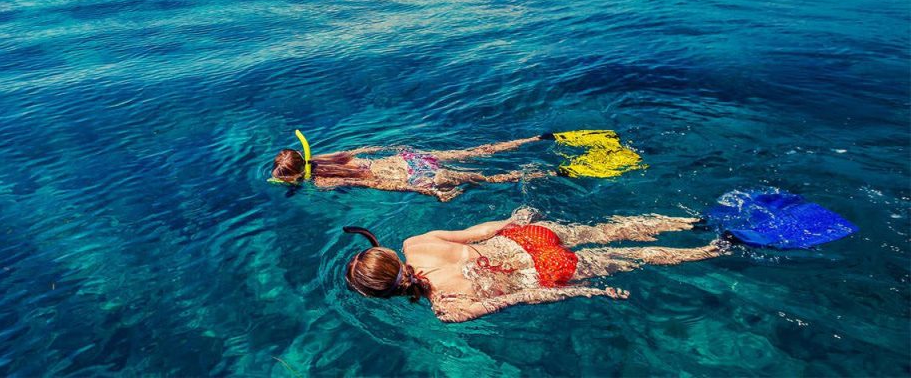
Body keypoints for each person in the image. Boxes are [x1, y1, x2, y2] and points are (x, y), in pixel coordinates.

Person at [342, 208, 723, 322]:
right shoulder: (416, 243)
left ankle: (714, 249)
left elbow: (523, 297)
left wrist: (586, 291)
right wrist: (511, 222)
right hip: (525, 238)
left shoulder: (448, 309)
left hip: (546, 271)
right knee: (609, 229)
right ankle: (692, 222)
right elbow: (477, 230)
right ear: (390, 253)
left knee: (632, 259)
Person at [269, 134, 552, 202]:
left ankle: (546, 173)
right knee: (473, 153)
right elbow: (363, 151)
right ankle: (534, 139)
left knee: (488, 179)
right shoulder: (322, 157)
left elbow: (374, 183)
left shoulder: (322, 182)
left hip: (414, 176)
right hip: (406, 159)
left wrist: (426, 191)